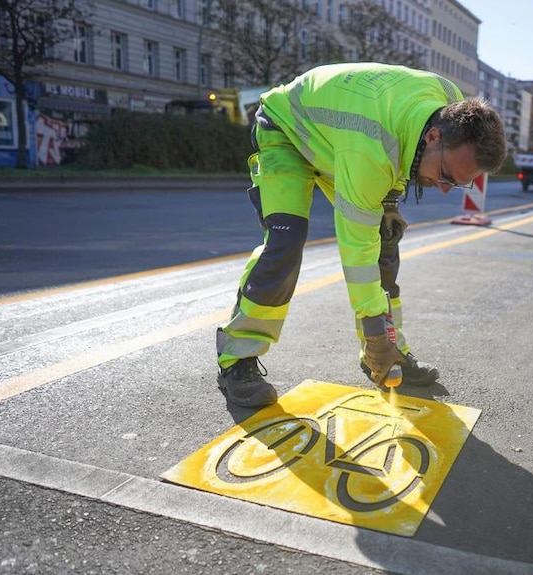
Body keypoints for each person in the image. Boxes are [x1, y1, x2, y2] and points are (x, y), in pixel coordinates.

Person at [215, 62, 507, 408]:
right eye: (445, 175)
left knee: (386, 237)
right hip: (288, 131)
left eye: (456, 184)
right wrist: (373, 335)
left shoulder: (447, 101)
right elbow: (356, 251)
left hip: (341, 138)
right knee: (286, 242)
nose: (444, 190)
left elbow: (403, 146)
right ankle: (237, 359)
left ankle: (389, 347)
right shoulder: (370, 148)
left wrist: (391, 199)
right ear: (434, 137)